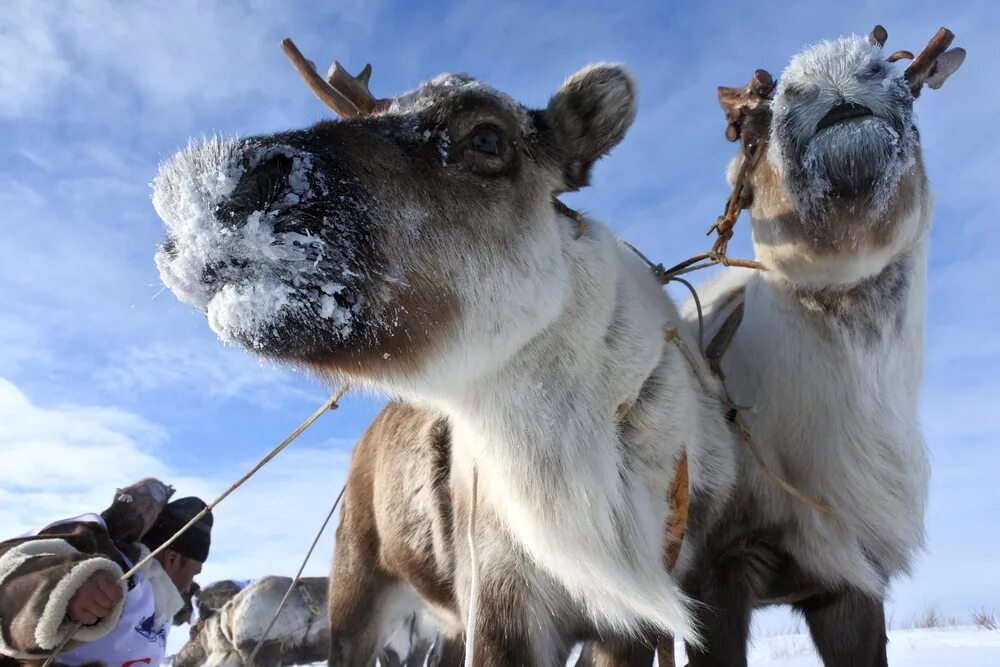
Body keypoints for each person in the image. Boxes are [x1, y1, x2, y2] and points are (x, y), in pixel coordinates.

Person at [0, 478, 213, 667]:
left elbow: (192, 600)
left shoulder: (168, 598)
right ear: (172, 558)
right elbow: (11, 570)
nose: (189, 585)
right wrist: (63, 589)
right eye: (194, 572)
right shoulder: (110, 563)